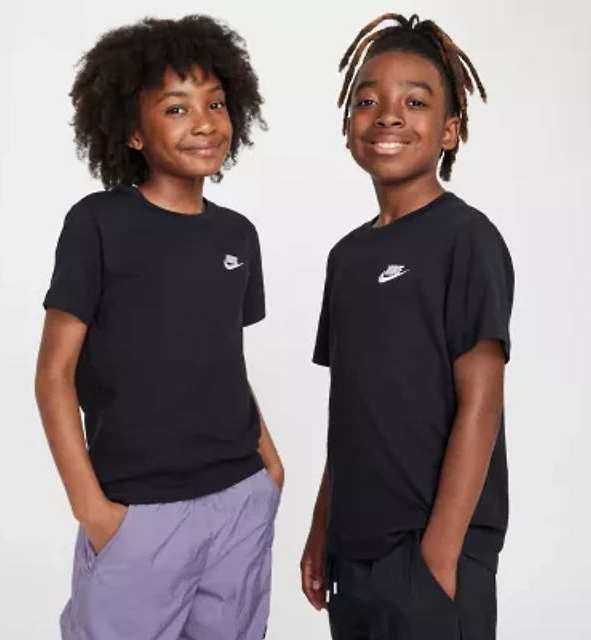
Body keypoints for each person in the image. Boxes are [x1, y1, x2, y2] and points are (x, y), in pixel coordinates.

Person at [35, 15, 283, 640]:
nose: (204, 123)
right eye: (176, 108)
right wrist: (94, 511)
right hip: (138, 515)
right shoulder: (97, 224)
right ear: (133, 132)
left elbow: (223, 358)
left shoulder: (238, 236)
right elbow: (54, 375)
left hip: (240, 500)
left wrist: (269, 468)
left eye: (216, 104)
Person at [301, 13, 514, 640]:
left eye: (415, 102)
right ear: (349, 126)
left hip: (430, 554)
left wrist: (439, 556)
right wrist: (322, 529)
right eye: (368, 101)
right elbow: (352, 411)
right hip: (352, 554)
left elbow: (482, 403)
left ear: (450, 130)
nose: (388, 116)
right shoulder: (346, 257)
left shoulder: (466, 238)